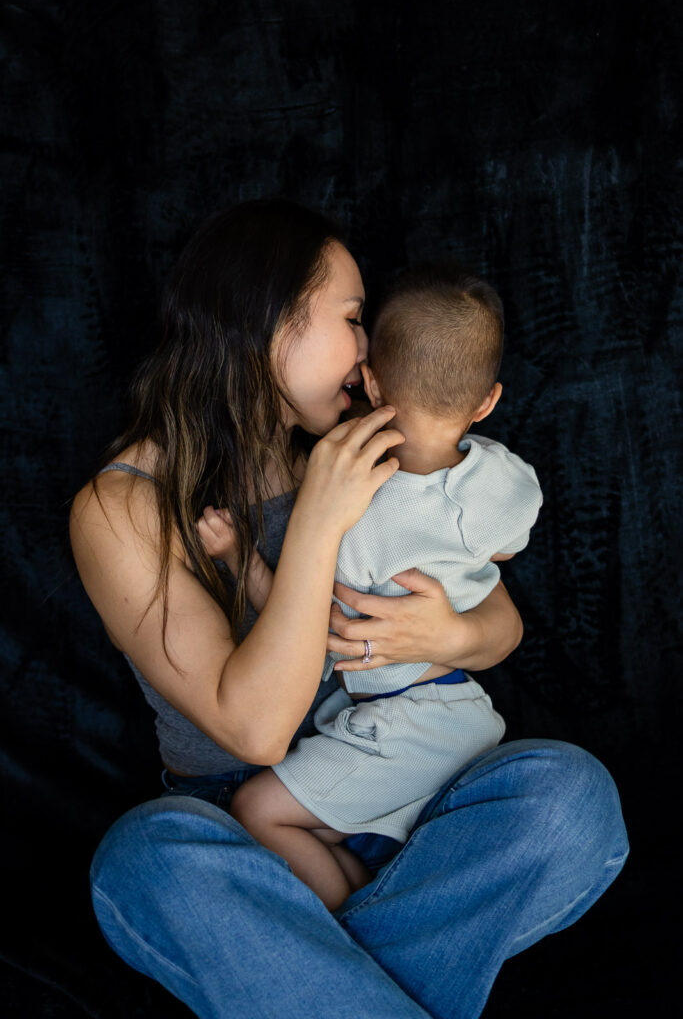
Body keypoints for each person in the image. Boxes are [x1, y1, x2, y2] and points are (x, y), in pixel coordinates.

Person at [70, 200, 628, 1019]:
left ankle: (308, 971)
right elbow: (255, 728)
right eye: (353, 317)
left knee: (572, 799)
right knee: (143, 864)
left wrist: (455, 633)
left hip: (399, 783)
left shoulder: (365, 443)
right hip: (248, 826)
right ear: (267, 321)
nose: (371, 351)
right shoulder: (124, 507)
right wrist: (320, 522)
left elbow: (497, 620)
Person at [197, 264, 544, 911]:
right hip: (452, 708)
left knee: (258, 812)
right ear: (486, 402)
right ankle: (387, 929)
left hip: (405, 720)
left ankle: (359, 952)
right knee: (323, 830)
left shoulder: (357, 508)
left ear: (372, 382)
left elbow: (304, 624)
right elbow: (505, 545)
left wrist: (240, 557)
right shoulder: (507, 480)